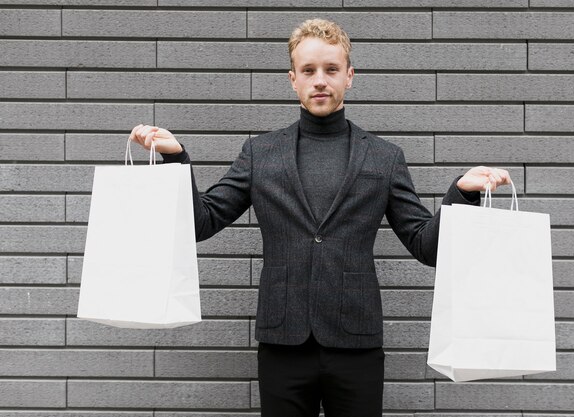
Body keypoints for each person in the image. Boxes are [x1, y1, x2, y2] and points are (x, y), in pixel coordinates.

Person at [129, 18, 511, 417]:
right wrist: (175, 158)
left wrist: (462, 194)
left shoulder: (383, 157)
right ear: (293, 79)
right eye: (308, 71)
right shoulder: (261, 153)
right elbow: (201, 221)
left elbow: (425, 245)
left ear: (350, 76)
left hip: (357, 346)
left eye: (331, 69)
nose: (320, 80)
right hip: (283, 343)